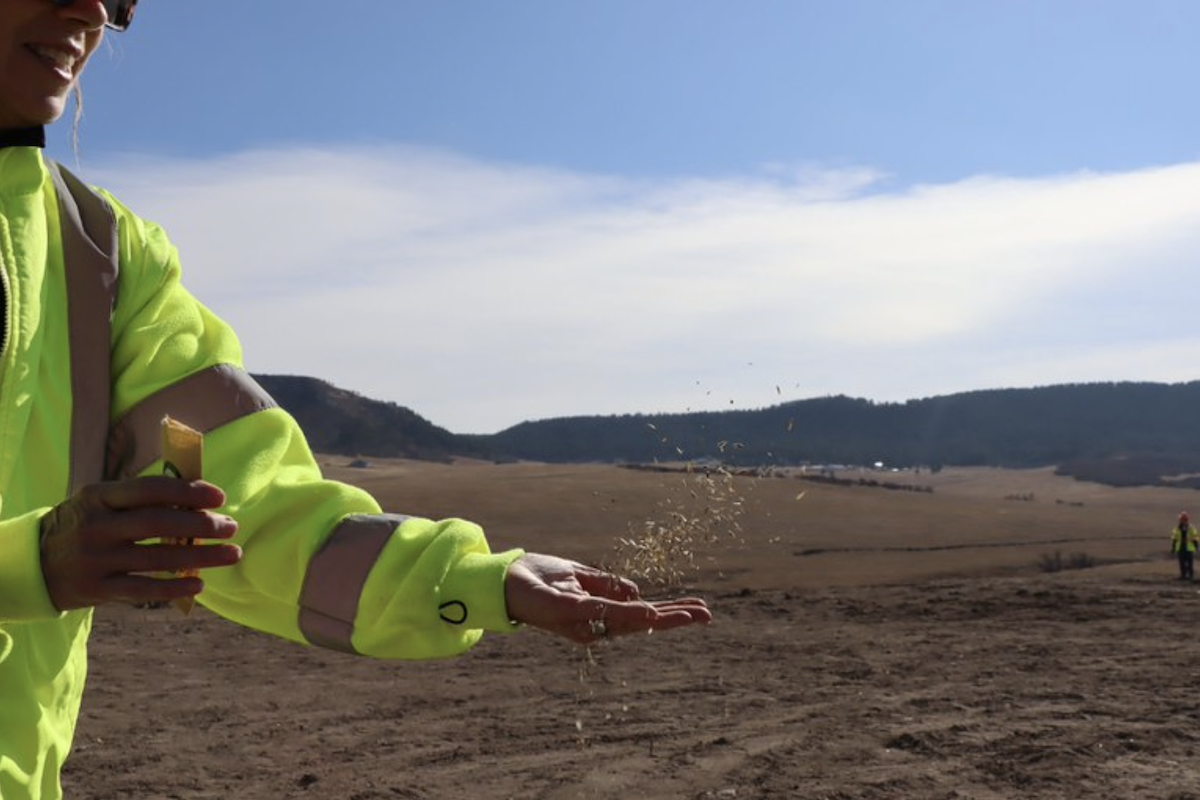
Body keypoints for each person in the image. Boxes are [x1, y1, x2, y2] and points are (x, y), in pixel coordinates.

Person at [0, 2, 712, 797]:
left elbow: (253, 513)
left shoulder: (99, 254)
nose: (92, 10)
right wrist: (25, 567)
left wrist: (482, 579)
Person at [1170, 512, 1198, 581]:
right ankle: (1183, 575)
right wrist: (1173, 547)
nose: (1181, 521)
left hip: (1189, 548)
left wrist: (1196, 546)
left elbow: (1195, 537)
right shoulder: (1177, 528)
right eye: (1181, 519)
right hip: (1180, 547)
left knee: (1189, 563)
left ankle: (1190, 576)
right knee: (1182, 562)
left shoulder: (1191, 528)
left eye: (1182, 519)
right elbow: (1174, 538)